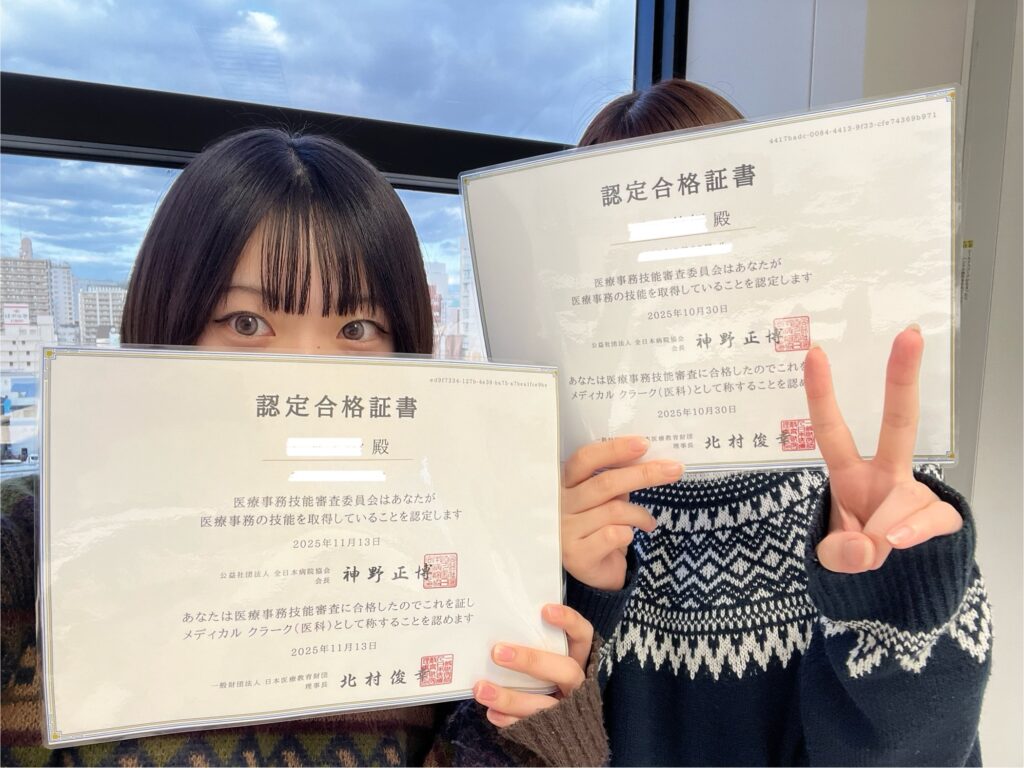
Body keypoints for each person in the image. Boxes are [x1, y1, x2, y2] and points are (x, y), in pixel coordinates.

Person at [1, 129, 608, 767]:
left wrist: (530, 729)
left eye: (357, 328)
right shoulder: (34, 542)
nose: (308, 377)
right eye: (247, 324)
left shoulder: (435, 564)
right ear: (168, 321)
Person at [559, 80, 991, 766]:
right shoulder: (572, 503)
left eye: (712, 234)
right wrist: (582, 595)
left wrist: (896, 590)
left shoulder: (865, 489)